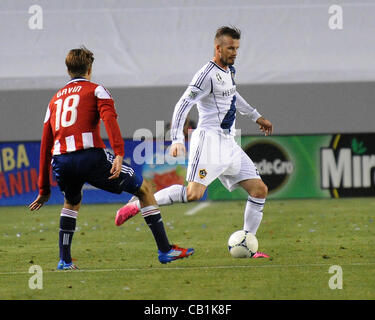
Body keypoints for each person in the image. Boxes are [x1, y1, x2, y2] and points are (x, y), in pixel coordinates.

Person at [28, 47, 194, 269]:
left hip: (61, 160)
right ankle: (165, 250)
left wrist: (43, 189)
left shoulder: (54, 100)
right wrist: (118, 152)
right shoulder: (97, 90)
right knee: (144, 189)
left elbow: (45, 143)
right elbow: (110, 119)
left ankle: (65, 261)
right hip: (90, 156)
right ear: (90, 69)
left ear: (68, 70)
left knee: (71, 202)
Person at [115, 26, 273, 258]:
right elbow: (182, 105)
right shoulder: (205, 75)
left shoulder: (229, 71)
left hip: (228, 141)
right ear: (218, 48)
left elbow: (233, 95)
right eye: (231, 48)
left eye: (237, 48)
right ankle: (138, 202)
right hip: (208, 141)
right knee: (193, 195)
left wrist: (256, 116)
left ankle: (248, 243)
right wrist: (178, 138)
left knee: (259, 190)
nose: (235, 52)